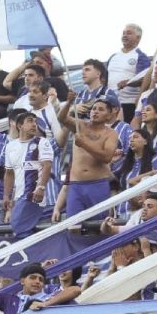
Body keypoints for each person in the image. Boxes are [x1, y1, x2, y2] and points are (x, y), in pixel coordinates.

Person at [57, 89, 116, 220]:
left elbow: (106, 157)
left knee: (99, 225)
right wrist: (69, 103)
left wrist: (84, 144)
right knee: (73, 226)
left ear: (109, 115)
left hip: (97, 184)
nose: (95, 111)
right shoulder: (80, 125)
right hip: (76, 185)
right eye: (94, 108)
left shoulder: (111, 134)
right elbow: (61, 118)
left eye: (101, 109)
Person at [3, 111, 52, 235]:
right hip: (18, 197)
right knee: (22, 230)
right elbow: (9, 173)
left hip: (33, 195)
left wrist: (41, 188)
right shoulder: (10, 146)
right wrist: (6, 196)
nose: (34, 124)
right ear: (20, 126)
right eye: (30, 121)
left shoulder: (42, 142)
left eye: (35, 121)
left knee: (18, 227)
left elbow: (47, 166)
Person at [108, 24, 151, 122]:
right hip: (111, 103)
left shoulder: (141, 57)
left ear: (138, 37)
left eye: (129, 33)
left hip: (129, 103)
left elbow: (145, 79)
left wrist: (128, 82)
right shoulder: (113, 57)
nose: (125, 35)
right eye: (123, 33)